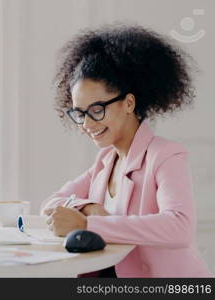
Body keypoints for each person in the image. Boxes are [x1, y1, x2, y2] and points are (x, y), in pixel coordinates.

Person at [40, 24, 213, 278]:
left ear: (129, 103)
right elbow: (50, 204)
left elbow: (179, 226)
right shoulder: (104, 163)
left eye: (97, 109)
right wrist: (89, 208)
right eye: (80, 113)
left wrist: (90, 224)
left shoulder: (165, 155)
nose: (87, 123)